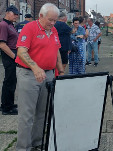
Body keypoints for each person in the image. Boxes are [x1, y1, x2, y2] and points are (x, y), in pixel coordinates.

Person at [15, 3, 64, 150]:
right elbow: (21, 51)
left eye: (55, 20)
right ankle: (23, 147)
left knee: (43, 112)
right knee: (27, 115)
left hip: (48, 74)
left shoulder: (53, 30)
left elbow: (57, 51)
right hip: (29, 74)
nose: (53, 23)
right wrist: (35, 67)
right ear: (40, 16)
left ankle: (38, 143)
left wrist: (60, 71)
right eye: (50, 20)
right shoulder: (30, 28)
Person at [0, 5, 21, 115]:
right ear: (8, 12)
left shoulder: (11, 25)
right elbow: (2, 45)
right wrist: (14, 57)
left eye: (18, 14)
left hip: (13, 54)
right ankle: (6, 108)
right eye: (15, 13)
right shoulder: (3, 25)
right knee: (9, 81)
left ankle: (8, 103)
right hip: (9, 55)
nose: (17, 16)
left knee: (12, 81)